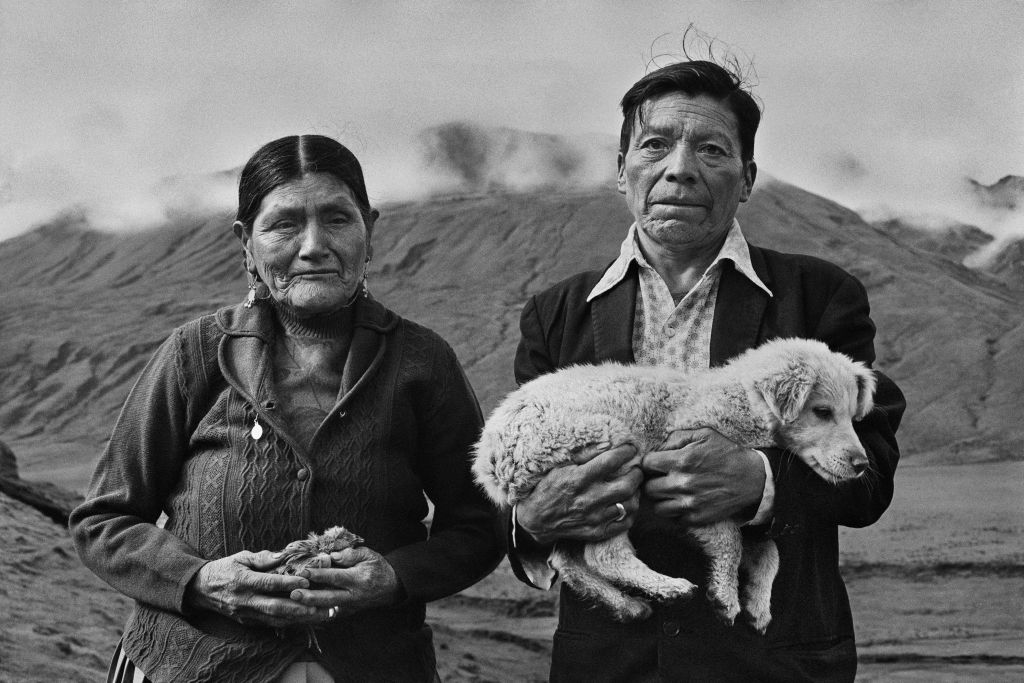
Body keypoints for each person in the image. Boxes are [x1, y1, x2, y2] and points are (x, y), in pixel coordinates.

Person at [508, 60, 906, 682]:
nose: (680, 168)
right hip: (607, 664)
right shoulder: (556, 314)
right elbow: (525, 482)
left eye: (711, 149)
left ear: (746, 178)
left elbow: (870, 474)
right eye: (655, 145)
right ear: (621, 170)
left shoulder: (820, 296)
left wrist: (760, 482)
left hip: (771, 662)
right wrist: (528, 522)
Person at [70, 134, 502, 682]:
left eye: (337, 219)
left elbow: (480, 523)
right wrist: (200, 580)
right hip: (190, 668)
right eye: (284, 224)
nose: (314, 244)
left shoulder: (423, 363)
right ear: (245, 243)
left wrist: (391, 577)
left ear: (370, 231)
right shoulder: (195, 354)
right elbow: (103, 518)